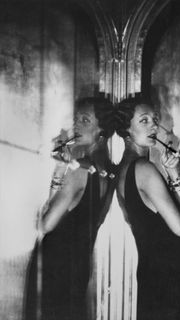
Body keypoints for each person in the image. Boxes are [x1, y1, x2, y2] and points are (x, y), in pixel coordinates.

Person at [23, 97, 116, 320]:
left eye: (85, 120)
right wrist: (61, 167)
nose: (76, 125)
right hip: (78, 266)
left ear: (101, 131)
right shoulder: (107, 172)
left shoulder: (79, 173)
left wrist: (58, 173)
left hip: (55, 267)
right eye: (76, 119)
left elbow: (45, 224)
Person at [115, 97, 180, 320]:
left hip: (151, 274)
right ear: (127, 128)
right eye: (144, 120)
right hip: (172, 276)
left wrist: (174, 172)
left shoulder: (122, 170)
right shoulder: (144, 169)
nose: (154, 126)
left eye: (155, 120)